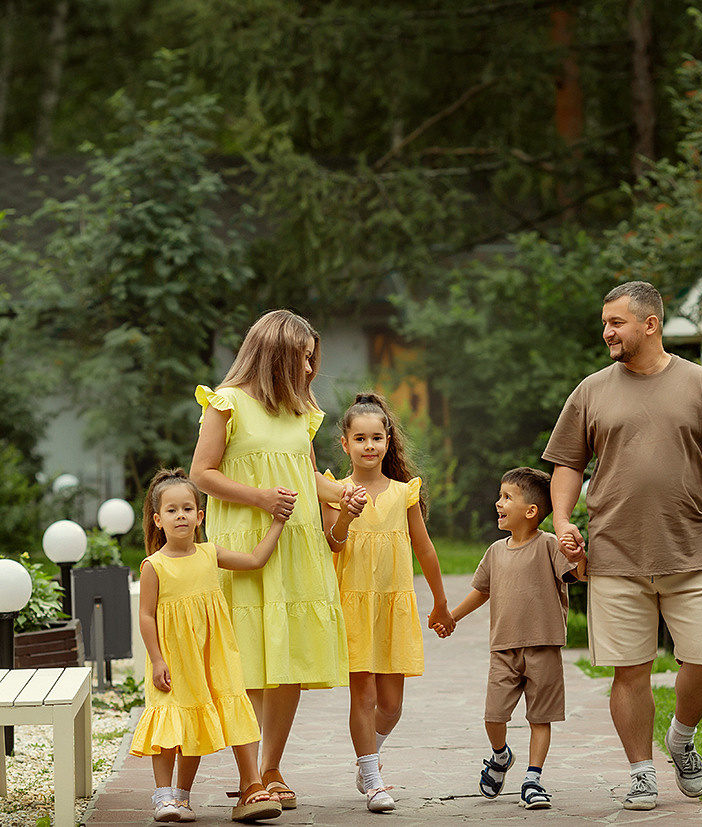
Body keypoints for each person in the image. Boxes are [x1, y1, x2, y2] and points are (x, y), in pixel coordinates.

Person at [544, 280, 702, 812]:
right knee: (629, 669)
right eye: (605, 322)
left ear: (650, 324)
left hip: (690, 548)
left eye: (616, 322)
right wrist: (564, 520)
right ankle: (641, 772)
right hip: (614, 553)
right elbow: (568, 462)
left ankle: (681, 737)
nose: (607, 332)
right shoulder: (590, 391)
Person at [190, 309, 354, 809]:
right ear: (276, 356)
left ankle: (271, 768)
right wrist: (259, 498)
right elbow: (201, 474)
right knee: (249, 658)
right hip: (246, 544)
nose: (309, 370)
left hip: (298, 544)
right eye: (303, 359)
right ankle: (249, 775)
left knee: (289, 659)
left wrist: (342, 495)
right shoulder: (227, 403)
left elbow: (309, 480)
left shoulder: (302, 413)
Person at [321, 392, 457, 813]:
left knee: (392, 706)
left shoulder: (404, 493)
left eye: (376, 437)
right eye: (359, 438)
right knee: (361, 697)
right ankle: (374, 777)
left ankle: (367, 761)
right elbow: (333, 543)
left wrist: (439, 602)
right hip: (354, 606)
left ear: (387, 440)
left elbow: (426, 550)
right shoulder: (334, 490)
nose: (368, 446)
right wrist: (346, 513)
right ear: (345, 444)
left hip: (393, 606)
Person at [129, 469, 286, 823]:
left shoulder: (209, 553)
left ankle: (182, 798)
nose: (180, 515)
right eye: (171, 510)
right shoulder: (154, 566)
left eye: (187, 508)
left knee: (195, 725)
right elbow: (146, 617)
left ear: (200, 517)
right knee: (171, 725)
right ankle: (163, 796)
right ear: (158, 520)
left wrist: (277, 523)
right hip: (172, 659)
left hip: (210, 656)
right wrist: (156, 660)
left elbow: (254, 561)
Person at [440, 467, 583, 810]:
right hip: (503, 648)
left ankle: (533, 779)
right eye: (499, 495)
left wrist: (579, 556)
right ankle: (501, 756)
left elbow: (578, 572)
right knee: (494, 715)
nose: (497, 502)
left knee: (540, 717)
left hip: (544, 646)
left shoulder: (549, 544)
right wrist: (452, 616)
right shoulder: (495, 551)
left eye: (507, 497)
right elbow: (481, 591)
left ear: (531, 511)